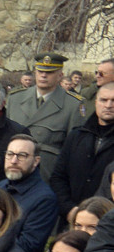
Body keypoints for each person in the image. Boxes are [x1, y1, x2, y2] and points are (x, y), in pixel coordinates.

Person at [6, 52, 86, 178]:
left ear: (60, 75)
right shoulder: (15, 98)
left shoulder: (72, 105)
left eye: (50, 72)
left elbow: (74, 149)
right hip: (13, 169)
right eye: (40, 71)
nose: (43, 75)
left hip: (47, 172)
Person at [49, 82, 114, 222]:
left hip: (108, 223)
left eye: (113, 101)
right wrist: (70, 209)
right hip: (72, 218)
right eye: (104, 100)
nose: (108, 105)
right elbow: (58, 177)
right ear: (96, 102)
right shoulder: (76, 136)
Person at [0, 134, 58, 252]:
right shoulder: (0, 187)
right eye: (10, 154)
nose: (13, 160)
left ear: (36, 161)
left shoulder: (45, 199)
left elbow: (27, 246)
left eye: (22, 155)